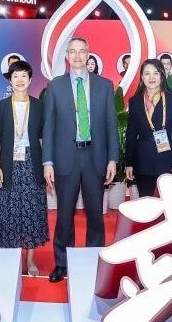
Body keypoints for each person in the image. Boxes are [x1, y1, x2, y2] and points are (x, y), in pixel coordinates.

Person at [43, 36, 117, 283]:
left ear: (88, 54)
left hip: (95, 157)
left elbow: (111, 125)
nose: (77, 56)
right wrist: (47, 162)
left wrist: (112, 159)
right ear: (67, 56)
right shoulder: (55, 86)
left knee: (96, 215)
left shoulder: (104, 85)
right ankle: (62, 264)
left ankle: (93, 260)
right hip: (66, 158)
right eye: (72, 51)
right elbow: (49, 127)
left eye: (81, 51)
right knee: (64, 216)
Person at [0, 60, 48, 276]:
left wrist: (46, 165)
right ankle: (12, 255)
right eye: (15, 76)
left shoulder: (38, 105)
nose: (20, 80)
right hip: (8, 164)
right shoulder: (1, 106)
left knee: (33, 210)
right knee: (10, 210)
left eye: (24, 75)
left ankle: (30, 258)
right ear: (10, 80)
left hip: (32, 163)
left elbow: (43, 137)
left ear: (30, 79)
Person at [124, 59, 172, 198]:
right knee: (146, 202)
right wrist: (129, 163)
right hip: (143, 160)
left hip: (167, 160)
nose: (151, 77)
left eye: (156, 73)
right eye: (147, 74)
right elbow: (131, 134)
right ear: (142, 77)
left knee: (168, 202)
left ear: (162, 75)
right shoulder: (135, 102)